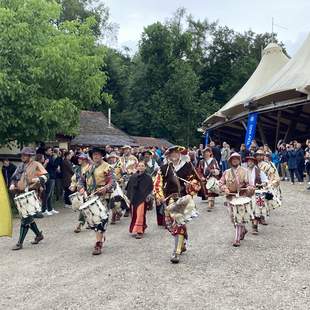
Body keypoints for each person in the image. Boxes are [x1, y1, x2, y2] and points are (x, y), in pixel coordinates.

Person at [154, 146, 201, 264]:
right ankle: (182, 243)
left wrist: (192, 186)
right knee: (171, 226)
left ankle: (176, 251)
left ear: (180, 154)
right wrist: (159, 196)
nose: (174, 155)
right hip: (169, 198)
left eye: (176, 152)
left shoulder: (188, 166)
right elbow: (157, 183)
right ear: (168, 156)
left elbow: (195, 180)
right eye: (172, 153)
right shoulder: (164, 168)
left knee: (178, 223)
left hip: (183, 198)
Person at [78, 147, 115, 255]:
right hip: (90, 196)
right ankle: (100, 235)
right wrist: (81, 188)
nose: (96, 156)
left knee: (101, 219)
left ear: (102, 155)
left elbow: (112, 182)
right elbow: (81, 180)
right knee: (94, 220)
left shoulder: (107, 167)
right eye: (94, 155)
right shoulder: (88, 167)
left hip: (103, 197)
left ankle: (98, 244)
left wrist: (105, 188)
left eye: (98, 154)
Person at [9, 147, 48, 250]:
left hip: (31, 194)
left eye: (25, 155)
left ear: (30, 156)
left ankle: (19, 243)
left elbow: (46, 175)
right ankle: (39, 235)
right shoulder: (20, 166)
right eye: (22, 155)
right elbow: (14, 178)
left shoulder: (36, 164)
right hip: (20, 194)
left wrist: (39, 178)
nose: (22, 157)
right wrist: (13, 184)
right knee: (27, 217)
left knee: (25, 218)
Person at [219, 152, 252, 247]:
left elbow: (249, 183)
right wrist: (224, 188)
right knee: (232, 218)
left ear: (239, 160)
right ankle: (243, 229)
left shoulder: (245, 171)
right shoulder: (226, 172)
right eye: (233, 159)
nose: (235, 160)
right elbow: (221, 183)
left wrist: (249, 187)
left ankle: (237, 239)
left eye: (237, 159)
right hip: (230, 197)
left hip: (241, 197)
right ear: (230, 161)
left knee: (238, 218)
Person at [127, 161, 153, 239]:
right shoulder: (133, 177)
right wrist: (129, 197)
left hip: (142, 198)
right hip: (134, 198)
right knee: (134, 214)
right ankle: (141, 226)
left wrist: (148, 196)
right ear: (137, 167)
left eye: (142, 166)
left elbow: (150, 188)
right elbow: (129, 188)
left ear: (145, 167)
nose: (141, 167)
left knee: (140, 214)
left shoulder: (148, 177)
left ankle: (139, 231)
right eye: (139, 166)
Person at [245, 156, 268, 235]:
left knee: (256, 210)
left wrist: (260, 184)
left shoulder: (259, 171)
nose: (250, 162)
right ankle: (251, 225)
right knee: (249, 209)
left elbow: (265, 182)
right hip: (247, 193)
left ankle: (255, 227)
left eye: (251, 161)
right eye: (248, 161)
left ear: (254, 162)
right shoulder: (245, 171)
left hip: (257, 192)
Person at [70, 153, 91, 233]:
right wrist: (72, 185)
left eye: (80, 159)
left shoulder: (90, 168)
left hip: (89, 191)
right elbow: (75, 179)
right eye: (78, 158)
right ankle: (89, 222)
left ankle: (80, 224)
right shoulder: (78, 169)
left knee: (84, 207)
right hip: (81, 190)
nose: (78, 160)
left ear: (85, 160)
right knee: (84, 207)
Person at [106, 152, 129, 224]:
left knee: (117, 200)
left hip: (119, 185)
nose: (112, 159)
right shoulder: (107, 166)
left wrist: (122, 179)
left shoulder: (120, 165)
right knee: (111, 200)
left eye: (113, 157)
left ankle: (115, 215)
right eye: (111, 157)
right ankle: (117, 213)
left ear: (116, 158)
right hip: (110, 185)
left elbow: (125, 175)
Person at [197, 147, 220, 211]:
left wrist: (214, 171)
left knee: (211, 189)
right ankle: (210, 200)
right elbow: (199, 170)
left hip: (212, 177)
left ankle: (210, 202)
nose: (206, 154)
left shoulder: (213, 160)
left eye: (207, 152)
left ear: (210, 153)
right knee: (205, 191)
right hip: (204, 178)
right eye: (205, 152)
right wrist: (201, 176)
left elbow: (217, 169)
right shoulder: (201, 161)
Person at [42, 147, 59, 215]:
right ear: (46, 152)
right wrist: (46, 162)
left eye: (51, 150)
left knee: (51, 194)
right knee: (47, 193)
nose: (51, 151)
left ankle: (50, 208)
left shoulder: (51, 157)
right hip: (49, 177)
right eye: (49, 150)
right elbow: (43, 167)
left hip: (52, 176)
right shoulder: (46, 158)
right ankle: (44, 209)